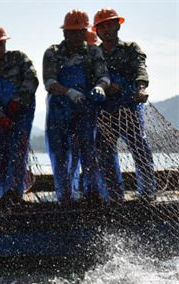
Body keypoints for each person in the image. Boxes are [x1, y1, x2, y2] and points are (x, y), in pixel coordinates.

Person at [43, 9, 109, 204]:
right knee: (62, 156)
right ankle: (65, 198)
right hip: (59, 111)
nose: (76, 35)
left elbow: (104, 76)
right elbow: (49, 82)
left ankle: (93, 195)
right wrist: (68, 92)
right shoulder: (52, 52)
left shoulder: (93, 51)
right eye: (72, 32)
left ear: (86, 31)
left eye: (81, 31)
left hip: (85, 110)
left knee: (90, 154)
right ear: (64, 33)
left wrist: (100, 86)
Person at [93, 7, 156, 201]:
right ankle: (114, 194)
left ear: (117, 26)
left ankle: (147, 192)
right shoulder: (93, 54)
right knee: (104, 153)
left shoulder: (130, 48)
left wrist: (141, 88)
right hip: (104, 111)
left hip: (129, 108)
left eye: (110, 25)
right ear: (96, 31)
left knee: (139, 148)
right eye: (102, 27)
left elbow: (140, 68)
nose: (106, 30)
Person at [0, 25, 39, 210]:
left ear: (5, 43)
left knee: (17, 154)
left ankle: (15, 196)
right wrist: (0, 117)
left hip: (22, 114)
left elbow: (32, 79)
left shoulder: (19, 59)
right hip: (0, 118)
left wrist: (18, 102)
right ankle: (4, 194)